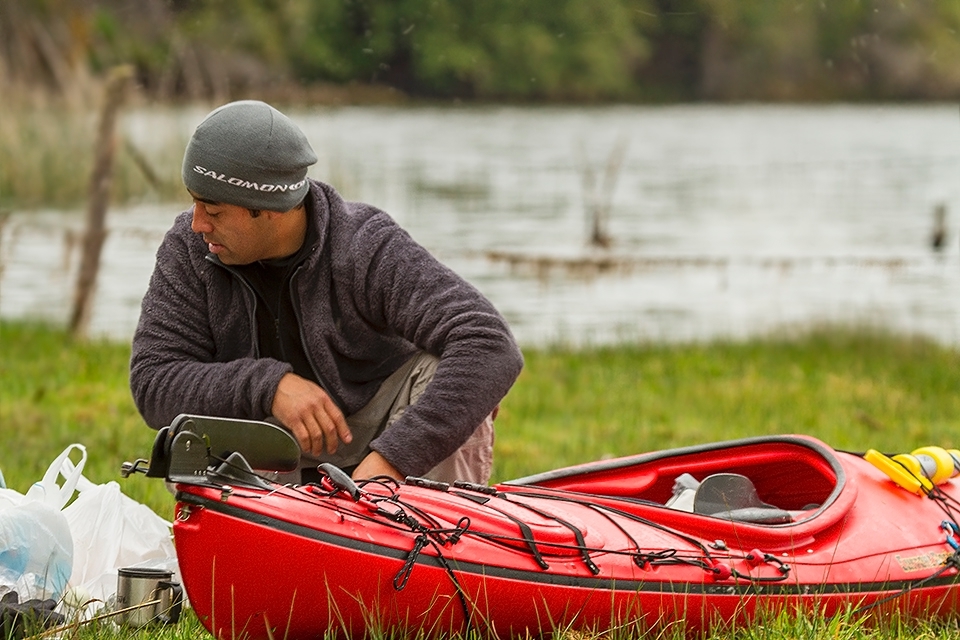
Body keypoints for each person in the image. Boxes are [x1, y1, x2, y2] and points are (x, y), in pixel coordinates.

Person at [130, 100, 523, 485]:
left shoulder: (365, 244)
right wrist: (268, 386)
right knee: (192, 432)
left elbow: (489, 343)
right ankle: (243, 540)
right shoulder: (188, 248)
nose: (197, 224)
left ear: (270, 207)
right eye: (195, 204)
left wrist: (395, 458)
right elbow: (153, 380)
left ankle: (431, 542)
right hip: (262, 447)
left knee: (450, 370)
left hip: (378, 442)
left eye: (213, 211)